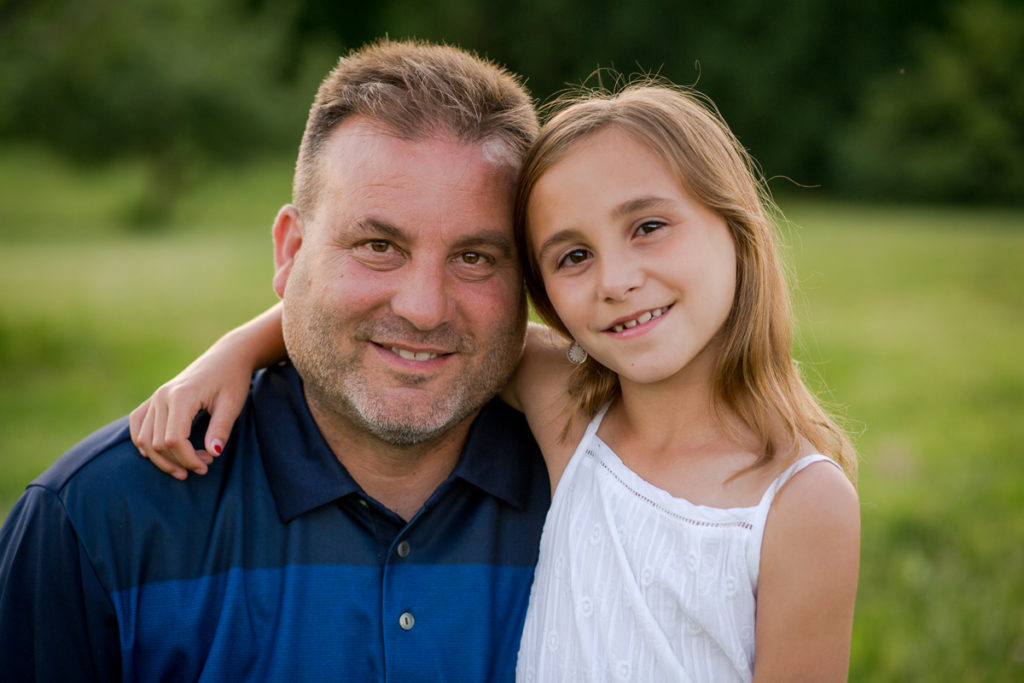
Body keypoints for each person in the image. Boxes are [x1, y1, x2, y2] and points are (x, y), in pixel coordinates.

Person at [129, 83, 861, 680]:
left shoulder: (799, 500)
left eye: (647, 227)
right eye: (573, 255)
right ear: (540, 288)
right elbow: (394, 326)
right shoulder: (572, 415)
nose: (617, 280)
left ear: (735, 230)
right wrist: (236, 351)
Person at [0, 39, 552, 682]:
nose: (426, 309)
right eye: (379, 245)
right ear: (290, 251)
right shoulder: (98, 521)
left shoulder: (600, 493)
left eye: (475, 258)